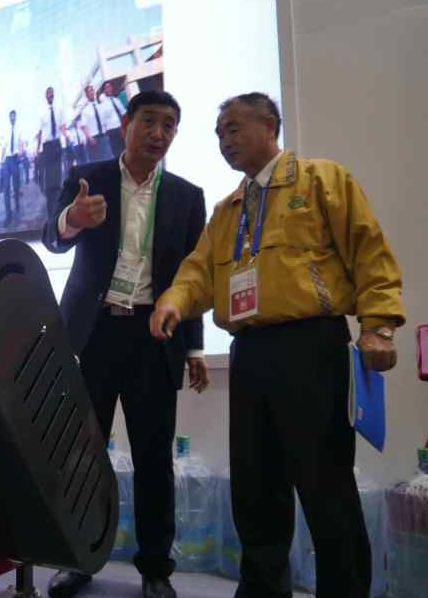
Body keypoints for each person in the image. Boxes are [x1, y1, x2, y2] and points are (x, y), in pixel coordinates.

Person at [151, 92, 405, 598]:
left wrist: (378, 325)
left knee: (325, 486)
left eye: (234, 129)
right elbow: (198, 272)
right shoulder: (227, 210)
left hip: (311, 348)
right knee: (256, 488)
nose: (224, 141)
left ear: (270, 126)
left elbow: (369, 250)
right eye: (218, 134)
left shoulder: (322, 180)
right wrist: (174, 301)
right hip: (250, 354)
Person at [42, 90, 209, 598]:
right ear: (126, 124)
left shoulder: (187, 196)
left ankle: (156, 568)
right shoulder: (87, 178)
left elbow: (192, 278)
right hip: (92, 335)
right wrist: (73, 219)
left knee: (154, 458)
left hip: (154, 338)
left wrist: (194, 348)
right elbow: (50, 237)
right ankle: (78, 558)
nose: (159, 133)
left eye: (169, 125)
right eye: (150, 121)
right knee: (80, 456)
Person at [37, 86, 68, 219]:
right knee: (49, 178)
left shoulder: (59, 109)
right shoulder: (42, 112)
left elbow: (62, 126)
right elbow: (39, 132)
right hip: (47, 146)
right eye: (49, 93)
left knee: (58, 176)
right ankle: (51, 211)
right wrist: (38, 150)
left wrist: (67, 138)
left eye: (52, 93)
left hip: (57, 144)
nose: (51, 95)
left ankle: (58, 208)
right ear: (46, 96)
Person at [0, 109, 23, 227]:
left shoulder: (19, 130)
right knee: (6, 188)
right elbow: (3, 146)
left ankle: (17, 203)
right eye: (11, 116)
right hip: (7, 160)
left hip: (15, 159)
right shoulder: (6, 130)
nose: (12, 118)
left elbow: (20, 143)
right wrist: (1, 161)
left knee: (16, 185)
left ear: (16, 117)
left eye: (14, 116)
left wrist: (21, 153)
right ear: (9, 118)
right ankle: (8, 215)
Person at [79, 84, 112, 163]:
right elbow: (84, 126)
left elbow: (106, 120)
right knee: (97, 162)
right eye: (89, 91)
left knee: (109, 160)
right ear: (86, 95)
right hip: (94, 140)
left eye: (92, 90)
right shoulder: (85, 110)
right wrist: (90, 138)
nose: (91, 92)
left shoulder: (101, 106)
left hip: (104, 137)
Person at [103, 81, 127, 158]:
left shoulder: (117, 100)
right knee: (117, 152)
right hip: (112, 131)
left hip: (122, 128)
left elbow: (124, 113)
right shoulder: (102, 103)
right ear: (104, 90)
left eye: (110, 86)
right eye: (107, 87)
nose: (109, 89)